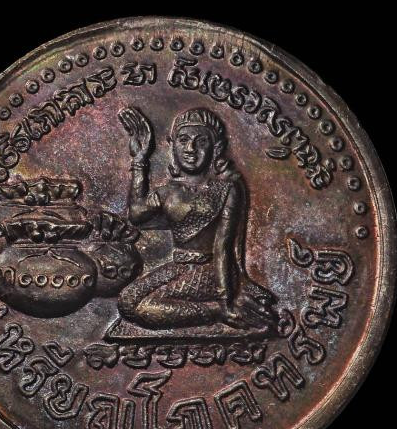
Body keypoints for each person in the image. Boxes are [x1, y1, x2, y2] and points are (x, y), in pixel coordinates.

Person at [117, 106, 278, 332]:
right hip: (179, 266)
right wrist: (140, 159)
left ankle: (218, 311)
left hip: (211, 271)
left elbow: (222, 247)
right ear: (173, 145)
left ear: (216, 148)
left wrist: (225, 299)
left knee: (143, 306)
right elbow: (135, 214)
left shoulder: (226, 189)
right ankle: (215, 311)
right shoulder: (168, 191)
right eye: (183, 140)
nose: (190, 149)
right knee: (126, 301)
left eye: (201, 142)